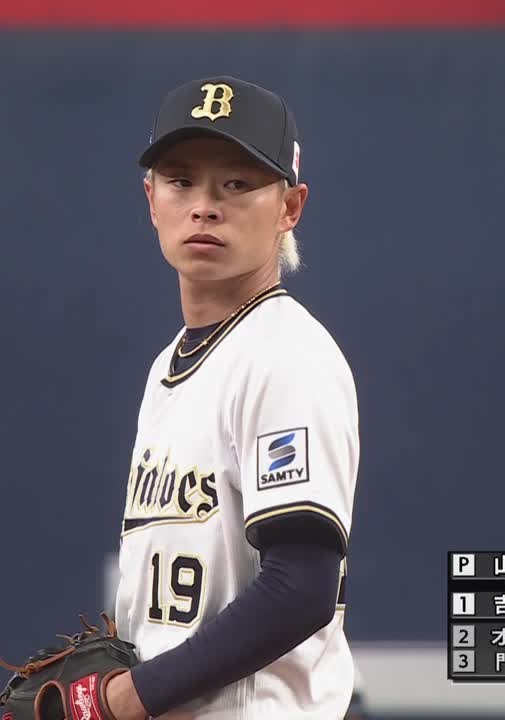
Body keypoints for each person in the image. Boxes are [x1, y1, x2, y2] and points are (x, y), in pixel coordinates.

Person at [100, 75, 361, 719]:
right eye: (181, 181)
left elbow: (300, 587)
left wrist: (131, 696)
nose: (204, 206)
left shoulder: (286, 354)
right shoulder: (169, 367)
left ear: (290, 207)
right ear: (151, 199)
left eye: (237, 184)